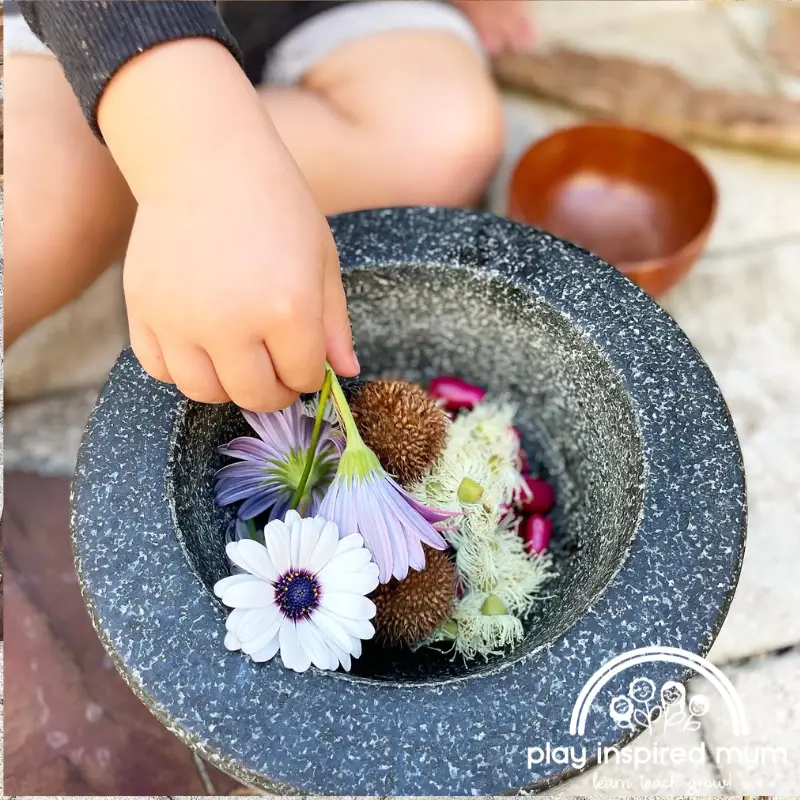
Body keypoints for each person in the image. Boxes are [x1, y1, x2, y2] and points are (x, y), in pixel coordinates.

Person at [5, 0, 535, 412]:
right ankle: (141, 164)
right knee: (43, 210)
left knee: (445, 142)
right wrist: (192, 158)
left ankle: (155, 186)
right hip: (95, 25)